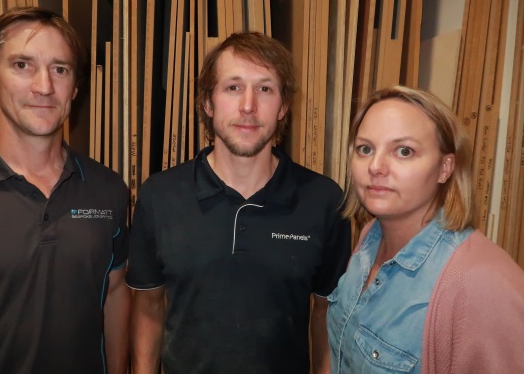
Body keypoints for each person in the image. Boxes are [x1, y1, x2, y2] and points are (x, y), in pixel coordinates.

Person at [126, 31, 351, 374]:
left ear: (284, 106)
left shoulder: (323, 201)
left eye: (265, 88)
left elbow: (325, 312)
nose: (248, 105)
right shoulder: (159, 196)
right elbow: (149, 305)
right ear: (207, 102)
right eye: (233, 87)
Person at [0, 7, 130, 373]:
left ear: (76, 87)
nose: (44, 86)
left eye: (60, 69)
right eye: (22, 65)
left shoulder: (108, 190)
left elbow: (115, 293)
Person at [327, 85, 524, 373]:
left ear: (445, 168)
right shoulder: (371, 235)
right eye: (365, 149)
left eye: (404, 151)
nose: (376, 166)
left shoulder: (482, 285)